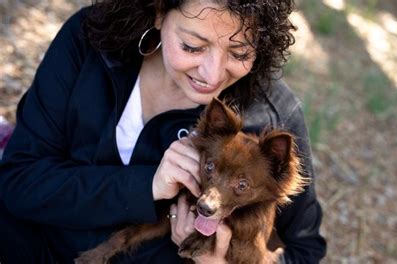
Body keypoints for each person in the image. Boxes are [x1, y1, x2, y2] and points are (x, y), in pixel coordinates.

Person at [0, 0, 326, 263]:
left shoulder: (272, 116)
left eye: (239, 53)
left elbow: (305, 251)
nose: (211, 75)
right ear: (158, 11)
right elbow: (19, 179)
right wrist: (147, 185)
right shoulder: (91, 43)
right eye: (192, 45)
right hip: (29, 240)